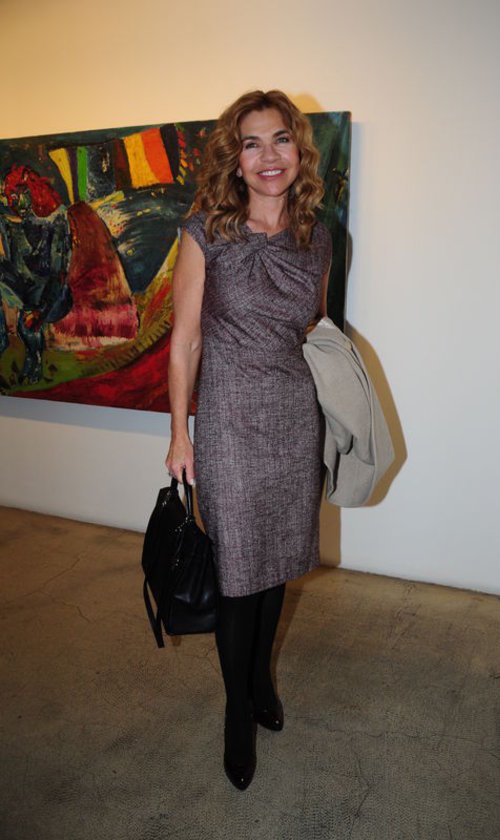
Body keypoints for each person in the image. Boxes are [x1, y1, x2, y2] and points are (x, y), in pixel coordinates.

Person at [165, 90, 332, 791]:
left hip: (294, 418)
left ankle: (261, 679)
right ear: (234, 158)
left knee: (276, 565)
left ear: (299, 150)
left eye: (280, 139)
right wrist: (180, 433)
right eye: (252, 143)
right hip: (229, 420)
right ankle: (239, 712)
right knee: (238, 574)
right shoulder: (205, 231)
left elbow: (316, 333)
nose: (268, 156)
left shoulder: (318, 236)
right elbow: (185, 341)